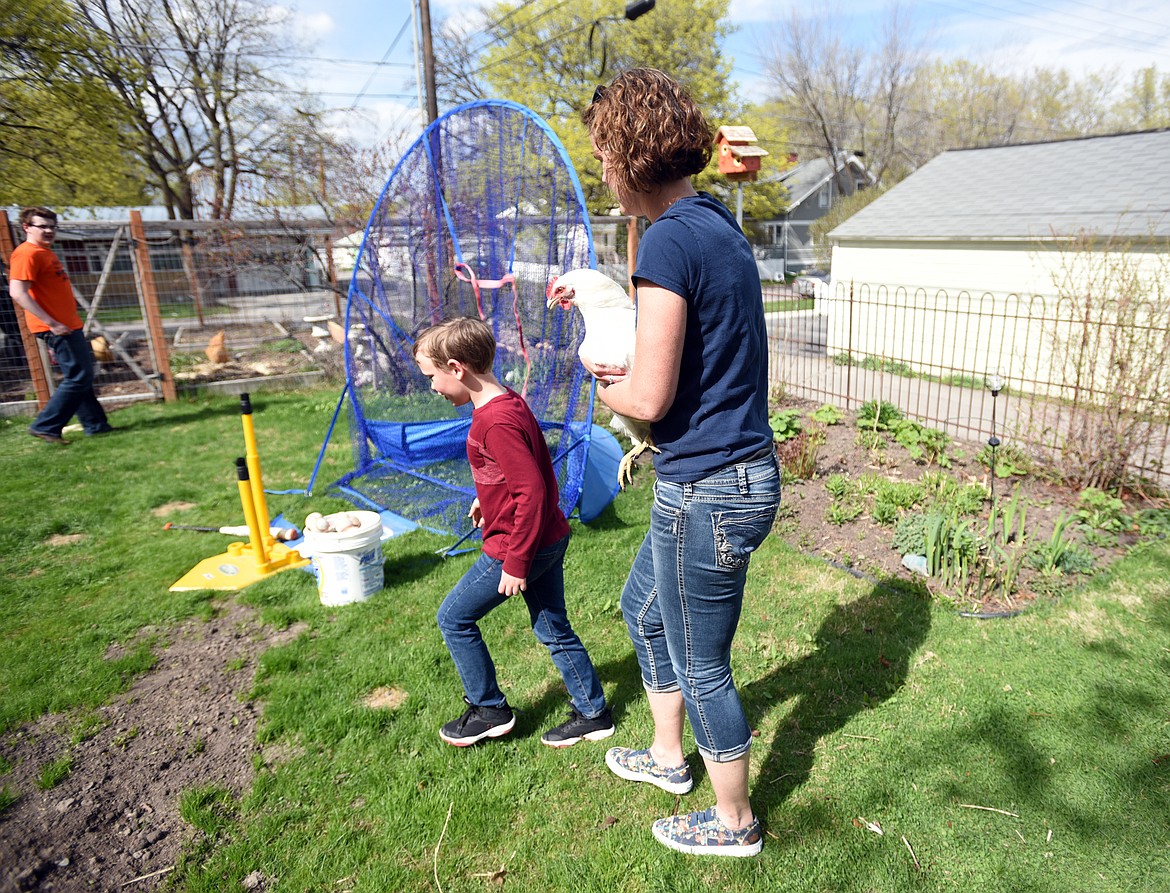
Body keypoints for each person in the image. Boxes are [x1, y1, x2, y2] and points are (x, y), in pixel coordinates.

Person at [581, 69, 781, 857]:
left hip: (711, 486)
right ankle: (670, 759)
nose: (602, 169)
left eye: (603, 153)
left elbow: (653, 394)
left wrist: (612, 389)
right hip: (718, 473)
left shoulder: (667, 238)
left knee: (703, 664)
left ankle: (735, 822)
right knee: (644, 609)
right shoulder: (716, 227)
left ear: (631, 152)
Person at [413, 317, 614, 748]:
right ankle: (594, 713)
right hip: (547, 536)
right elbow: (517, 473)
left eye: (431, 376)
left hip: (520, 546)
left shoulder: (495, 421)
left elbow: (533, 491)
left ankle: (488, 709)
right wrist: (485, 500)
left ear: (455, 367)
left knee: (454, 617)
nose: (431, 386)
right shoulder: (507, 402)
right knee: (553, 628)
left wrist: (516, 562)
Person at [9, 207, 114, 444]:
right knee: (79, 376)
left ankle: (97, 426)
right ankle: (46, 425)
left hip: (67, 324)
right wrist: (52, 323)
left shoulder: (44, 252)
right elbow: (18, 292)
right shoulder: (27, 254)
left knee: (81, 376)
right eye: (42, 226)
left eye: (52, 227)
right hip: (56, 327)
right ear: (27, 227)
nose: (48, 231)